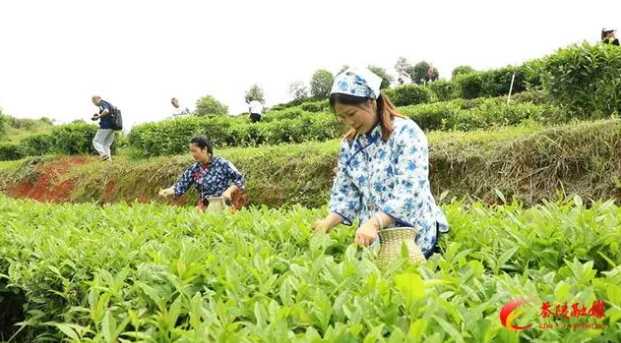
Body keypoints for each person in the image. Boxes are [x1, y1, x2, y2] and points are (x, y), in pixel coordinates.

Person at [312, 68, 449, 259]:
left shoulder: (406, 133)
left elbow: (410, 189)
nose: (349, 122)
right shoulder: (350, 144)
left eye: (351, 113)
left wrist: (375, 222)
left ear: (371, 101)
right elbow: (346, 192)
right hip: (375, 239)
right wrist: (328, 222)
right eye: (342, 117)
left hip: (414, 235)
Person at [159, 136, 246, 210]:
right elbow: (181, 185)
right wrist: (168, 191)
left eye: (194, 151)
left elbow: (240, 179)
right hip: (205, 206)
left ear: (204, 149)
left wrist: (228, 192)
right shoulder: (194, 169)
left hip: (223, 205)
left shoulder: (222, 163)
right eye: (191, 151)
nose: (192, 154)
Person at [91, 95, 115, 161]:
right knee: (106, 145)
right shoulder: (108, 103)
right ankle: (108, 162)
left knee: (96, 141)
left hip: (105, 126)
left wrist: (98, 117)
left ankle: (103, 154)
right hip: (112, 127)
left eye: (94, 102)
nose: (94, 104)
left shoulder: (102, 104)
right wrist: (99, 116)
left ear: (97, 99)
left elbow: (106, 111)